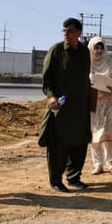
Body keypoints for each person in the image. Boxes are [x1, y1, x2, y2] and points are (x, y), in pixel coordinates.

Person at [40, 18, 92, 192]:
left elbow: (86, 80)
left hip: (80, 109)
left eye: (70, 31)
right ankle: (56, 181)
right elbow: (47, 80)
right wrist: (51, 97)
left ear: (79, 33)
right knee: (58, 147)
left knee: (79, 145)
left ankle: (74, 177)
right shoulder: (56, 51)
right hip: (61, 109)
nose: (66, 34)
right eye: (64, 31)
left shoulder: (85, 52)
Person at [88, 37, 112, 175]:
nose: (98, 51)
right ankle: (97, 165)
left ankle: (111, 164)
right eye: (96, 48)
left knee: (108, 133)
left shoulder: (110, 64)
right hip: (93, 103)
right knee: (94, 134)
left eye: (101, 48)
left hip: (109, 102)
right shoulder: (87, 64)